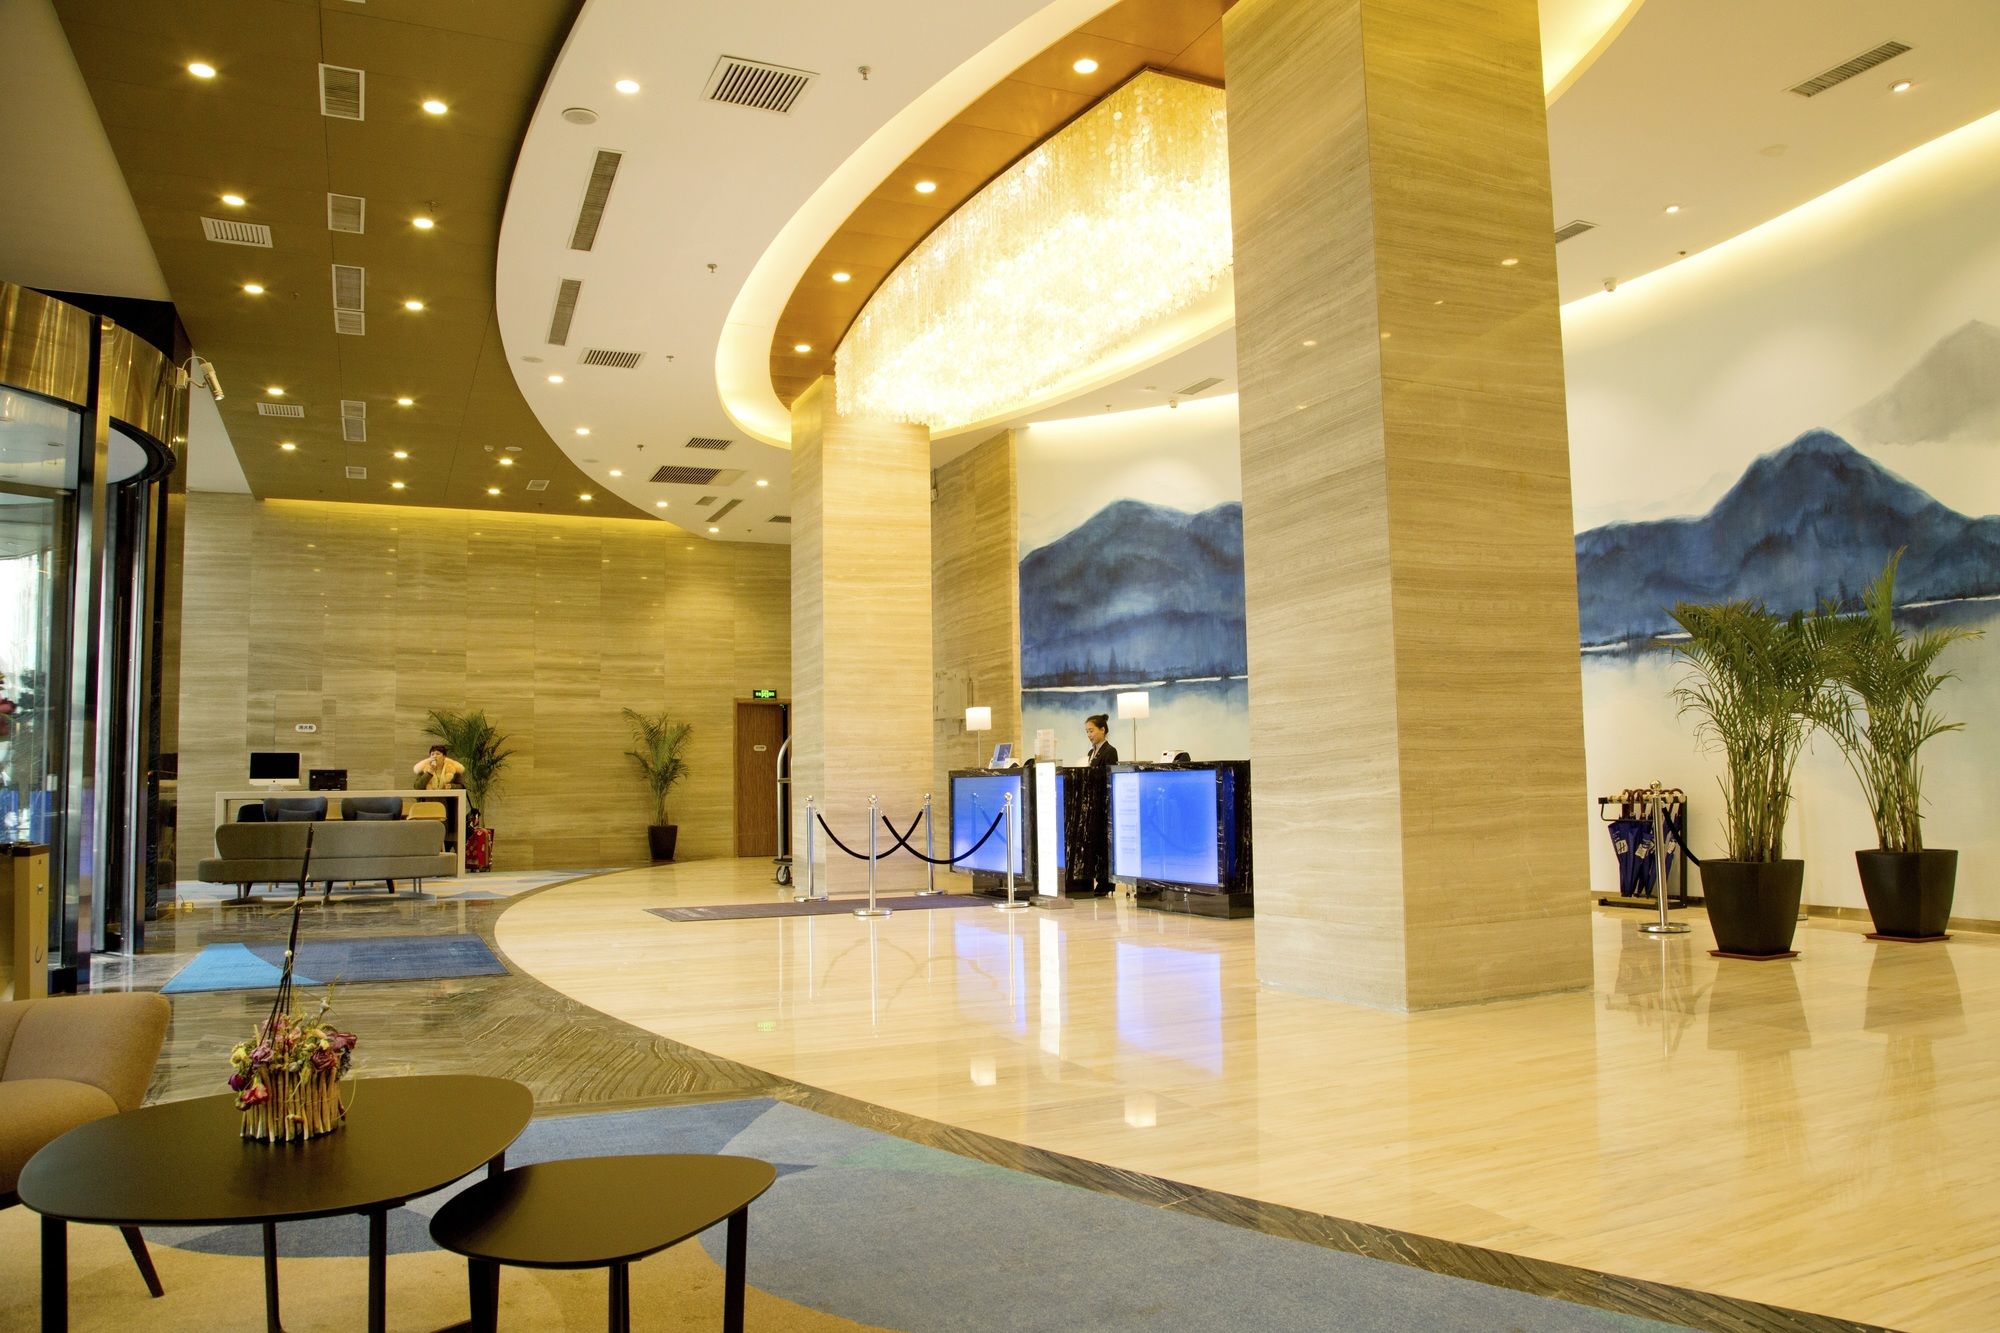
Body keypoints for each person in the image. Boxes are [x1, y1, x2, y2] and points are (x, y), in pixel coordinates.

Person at [1075, 713, 1119, 896]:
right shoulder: (1090, 753)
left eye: (1091, 731)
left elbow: (1106, 776)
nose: (1089, 735)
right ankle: (1095, 879)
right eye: (1087, 731)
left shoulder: (1110, 751)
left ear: (1102, 730)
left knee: (1104, 844)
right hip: (1092, 803)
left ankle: (1105, 883)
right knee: (1094, 843)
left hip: (1103, 803)